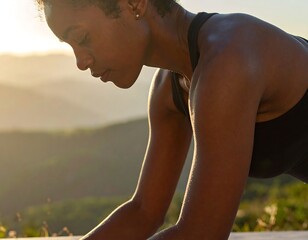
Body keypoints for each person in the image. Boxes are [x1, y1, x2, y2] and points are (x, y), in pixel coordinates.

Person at [36, 0, 308, 239]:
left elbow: (201, 234)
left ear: (133, 3)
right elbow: (143, 213)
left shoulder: (229, 58)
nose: (80, 62)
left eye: (82, 38)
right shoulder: (170, 88)